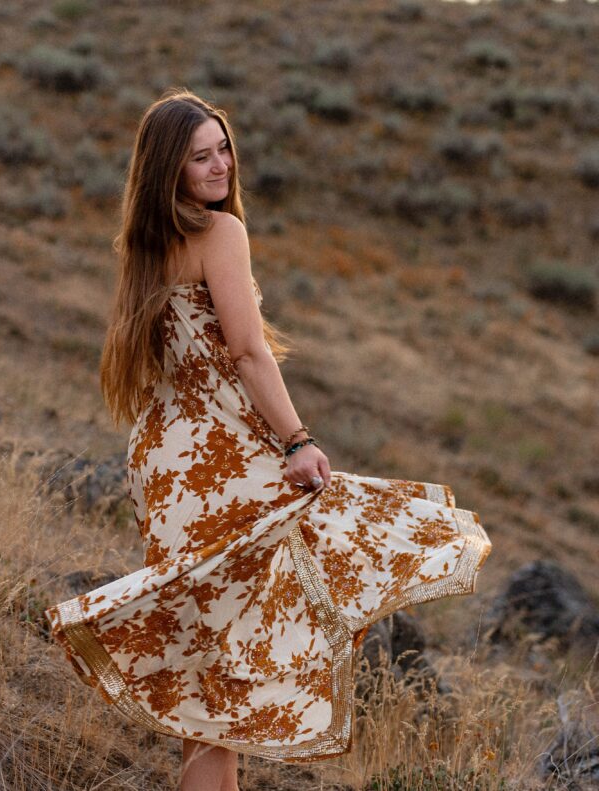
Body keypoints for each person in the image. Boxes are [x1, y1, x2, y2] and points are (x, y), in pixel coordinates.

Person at [45, 89, 491, 791]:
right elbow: (250, 351)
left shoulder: (144, 248)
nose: (220, 165)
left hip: (164, 468)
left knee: (207, 674)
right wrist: (297, 440)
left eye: (224, 147)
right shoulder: (219, 233)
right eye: (200, 156)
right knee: (334, 550)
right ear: (170, 170)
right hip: (221, 463)